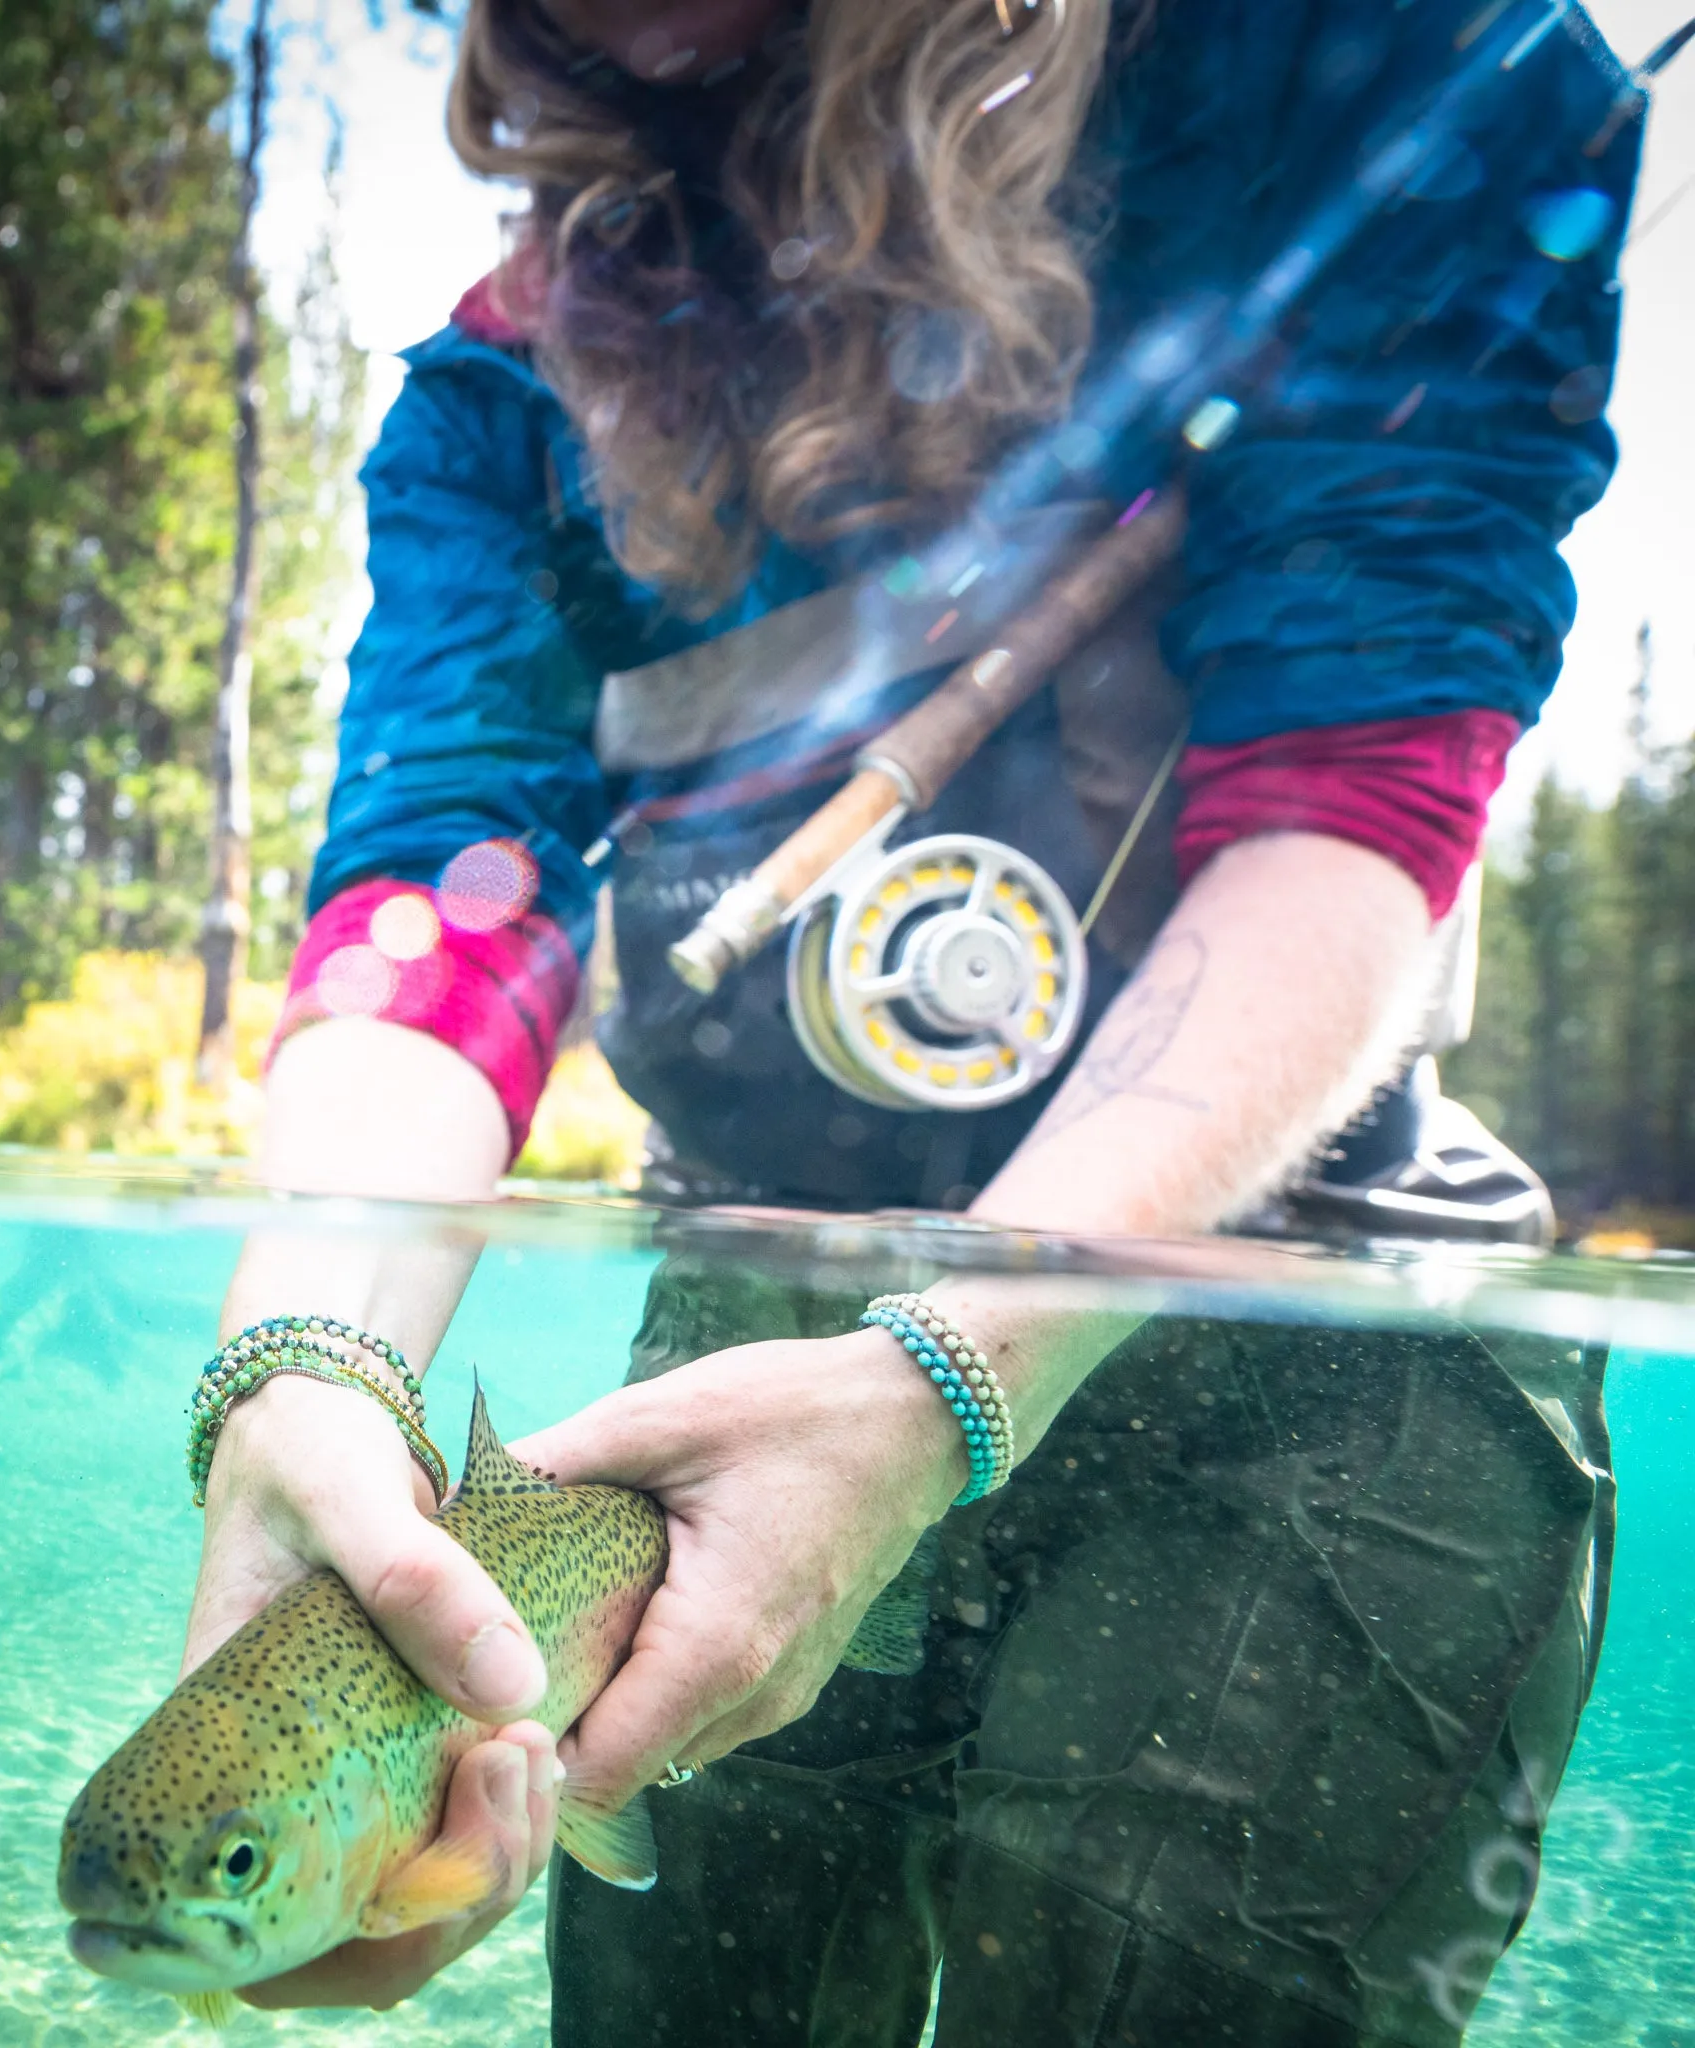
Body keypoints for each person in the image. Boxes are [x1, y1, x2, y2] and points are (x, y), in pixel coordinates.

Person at [180, 0, 1637, 2038]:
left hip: (1324, 1341)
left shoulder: (1393, 65)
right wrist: (300, 1366)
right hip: (739, 1370)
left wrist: (941, 1381)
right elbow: (440, 896)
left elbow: (1352, 801)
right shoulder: (497, 400)